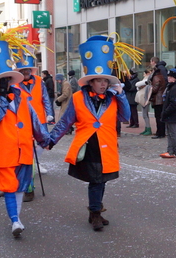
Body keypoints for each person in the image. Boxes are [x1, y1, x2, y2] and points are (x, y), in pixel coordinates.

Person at [48, 35, 131, 231]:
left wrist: (121, 95)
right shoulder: (78, 98)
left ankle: (95, 211)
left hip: (107, 145)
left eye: (106, 81)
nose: (103, 84)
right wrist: (51, 140)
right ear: (91, 82)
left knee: (101, 181)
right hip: (88, 146)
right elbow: (65, 122)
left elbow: (126, 117)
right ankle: (95, 214)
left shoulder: (112, 98)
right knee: (95, 181)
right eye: (99, 81)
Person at [0, 35, 51, 237]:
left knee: (20, 187)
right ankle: (15, 221)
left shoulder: (21, 93)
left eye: (6, 79)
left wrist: (44, 138)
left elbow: (33, 117)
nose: (4, 83)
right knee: (9, 186)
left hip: (23, 146)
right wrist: (3, 98)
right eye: (0, 81)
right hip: (5, 149)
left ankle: (17, 218)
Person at [14, 54, 54, 202]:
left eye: (28, 71)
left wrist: (49, 114)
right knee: (22, 153)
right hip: (22, 121)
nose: (26, 74)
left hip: (39, 120)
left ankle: (25, 181)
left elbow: (45, 98)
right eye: (23, 71)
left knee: (41, 146)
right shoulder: (14, 83)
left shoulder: (39, 81)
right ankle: (25, 188)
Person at [160, 68, 176, 158]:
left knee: (172, 133)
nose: (169, 78)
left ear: (175, 78)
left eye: (171, 77)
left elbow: (174, 103)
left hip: (172, 114)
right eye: (169, 76)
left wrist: (166, 112)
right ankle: (171, 150)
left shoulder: (175, 88)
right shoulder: (171, 87)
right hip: (171, 113)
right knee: (170, 133)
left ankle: (175, 151)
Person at [149, 57, 167, 139]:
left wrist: (150, 90)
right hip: (160, 99)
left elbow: (155, 89)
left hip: (158, 100)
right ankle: (161, 132)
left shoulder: (157, 78)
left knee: (158, 117)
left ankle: (160, 133)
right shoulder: (162, 76)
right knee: (160, 117)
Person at [136, 62, 154, 136]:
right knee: (144, 114)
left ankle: (148, 128)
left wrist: (139, 86)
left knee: (145, 114)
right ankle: (147, 128)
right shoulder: (147, 79)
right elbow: (138, 86)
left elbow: (137, 84)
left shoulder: (148, 79)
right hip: (144, 97)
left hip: (145, 97)